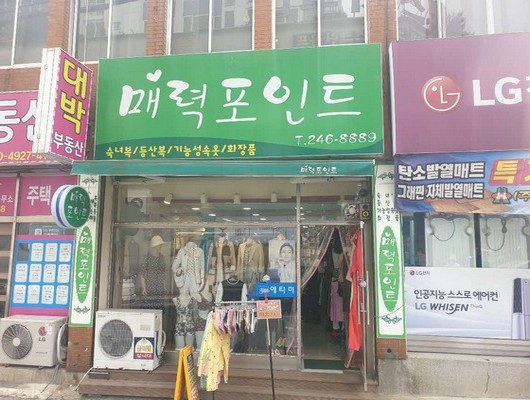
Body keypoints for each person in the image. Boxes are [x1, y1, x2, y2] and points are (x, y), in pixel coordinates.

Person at [138, 235, 167, 309]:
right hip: (149, 287)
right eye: (159, 245)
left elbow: (163, 273)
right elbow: (142, 274)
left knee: (159, 308)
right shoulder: (146, 257)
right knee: (149, 307)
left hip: (159, 288)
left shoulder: (162, 257)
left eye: (161, 245)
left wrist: (164, 286)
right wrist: (144, 287)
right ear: (155, 245)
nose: (160, 246)